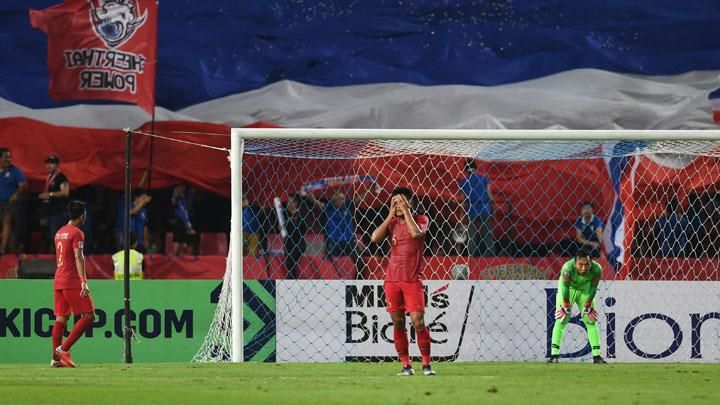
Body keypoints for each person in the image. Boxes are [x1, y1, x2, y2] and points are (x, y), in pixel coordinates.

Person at [370, 187, 435, 376]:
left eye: (401, 202)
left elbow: (416, 234)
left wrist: (406, 211)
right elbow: (374, 238)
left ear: (410, 202)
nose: (398, 206)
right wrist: (390, 214)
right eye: (395, 203)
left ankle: (426, 364)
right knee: (398, 322)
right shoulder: (391, 224)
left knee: (418, 321)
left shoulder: (421, 219)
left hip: (412, 281)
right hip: (392, 281)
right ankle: (406, 366)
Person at [51, 200, 95, 368]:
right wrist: (83, 281)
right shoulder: (77, 233)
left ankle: (55, 359)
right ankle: (64, 350)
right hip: (71, 280)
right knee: (89, 316)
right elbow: (78, 256)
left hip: (58, 280)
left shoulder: (59, 232)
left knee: (60, 319)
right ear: (82, 216)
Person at [547, 248, 606, 364]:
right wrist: (566, 305)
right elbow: (564, 287)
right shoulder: (567, 269)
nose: (584, 268)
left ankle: (597, 357)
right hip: (568, 290)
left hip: (585, 290)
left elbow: (593, 287)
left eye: (587, 264)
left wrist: (588, 304)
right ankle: (554, 356)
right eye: (580, 265)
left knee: (591, 320)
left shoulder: (597, 269)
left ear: (591, 263)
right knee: (561, 319)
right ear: (575, 264)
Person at [308, 191, 363, 278]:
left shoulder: (348, 205)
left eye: (343, 199)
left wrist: (369, 189)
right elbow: (317, 203)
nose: (342, 201)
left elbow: (360, 199)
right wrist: (312, 198)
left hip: (348, 241)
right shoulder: (329, 207)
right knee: (328, 262)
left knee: (360, 262)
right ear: (334, 201)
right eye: (340, 199)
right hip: (334, 242)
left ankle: (358, 282)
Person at [458, 159, 495, 257]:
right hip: (485, 208)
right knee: (487, 235)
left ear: (465, 170)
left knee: (472, 236)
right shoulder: (484, 179)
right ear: (476, 168)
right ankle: (490, 257)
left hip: (472, 210)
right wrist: (492, 209)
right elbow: (490, 195)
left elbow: (463, 201)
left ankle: (471, 257)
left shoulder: (463, 182)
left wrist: (461, 215)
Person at [38, 155, 69, 252]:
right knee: (51, 236)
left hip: (58, 212)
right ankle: (56, 256)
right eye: (47, 163)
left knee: (56, 236)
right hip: (50, 211)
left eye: (52, 163)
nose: (49, 165)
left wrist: (50, 194)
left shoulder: (61, 177)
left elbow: (65, 192)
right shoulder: (50, 176)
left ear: (57, 165)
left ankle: (61, 257)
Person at [0, 147, 27, 255]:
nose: (9, 160)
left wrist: (15, 195)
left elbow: (23, 185)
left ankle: (2, 249)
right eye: (6, 157)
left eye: (10, 157)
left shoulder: (15, 171)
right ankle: (12, 254)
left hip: (10, 203)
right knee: (9, 233)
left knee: (7, 220)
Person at [284, 193, 311, 279]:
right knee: (289, 257)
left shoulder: (301, 213)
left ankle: (292, 278)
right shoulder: (284, 214)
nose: (288, 204)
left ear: (295, 203)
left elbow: (304, 230)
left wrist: (295, 222)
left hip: (299, 243)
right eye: (287, 202)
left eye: (290, 202)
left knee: (292, 256)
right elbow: (282, 230)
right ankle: (291, 278)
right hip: (288, 243)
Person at [171, 183, 198, 255]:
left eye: (183, 186)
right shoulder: (176, 197)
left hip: (191, 221)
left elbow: (197, 194)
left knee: (190, 246)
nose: (181, 188)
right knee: (176, 250)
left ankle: (189, 263)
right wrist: (176, 194)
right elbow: (173, 202)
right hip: (179, 222)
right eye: (179, 186)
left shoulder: (190, 195)